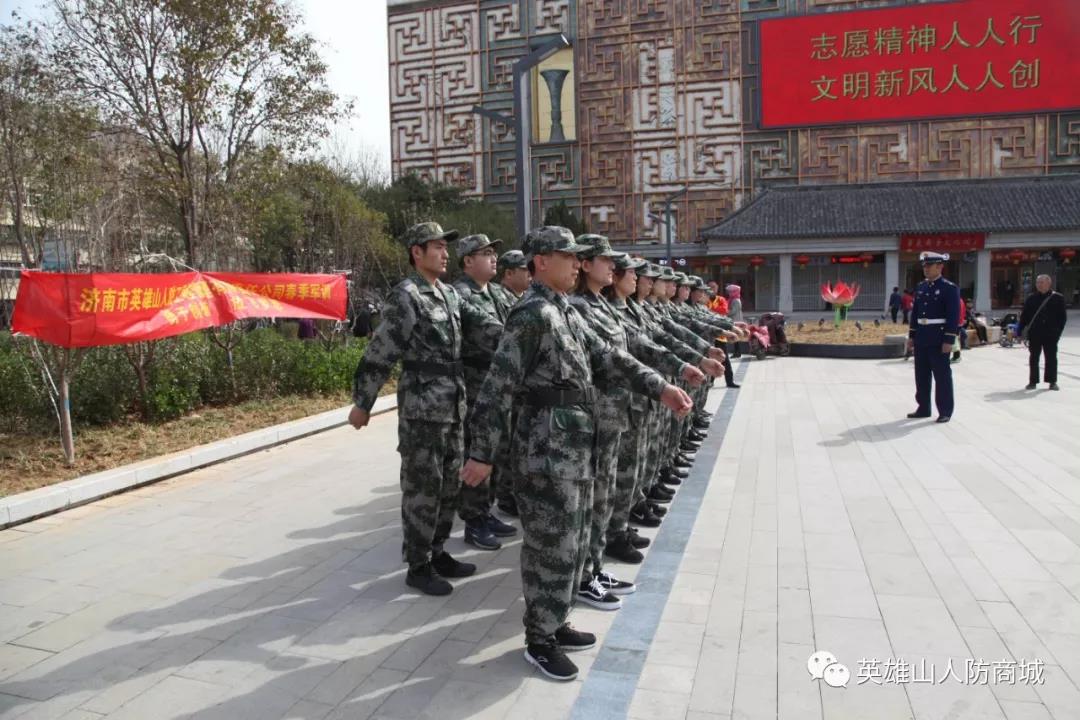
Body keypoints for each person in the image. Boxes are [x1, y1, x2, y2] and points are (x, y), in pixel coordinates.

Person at [460, 226, 693, 682]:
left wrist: (661, 386)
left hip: (575, 447)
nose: (575, 263)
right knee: (551, 546)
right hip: (544, 451)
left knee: (576, 538)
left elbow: (609, 357)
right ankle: (539, 639)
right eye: (566, 256)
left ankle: (557, 619)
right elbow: (497, 387)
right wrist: (482, 454)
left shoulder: (564, 310)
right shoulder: (531, 315)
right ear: (541, 261)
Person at [350, 222, 503, 596]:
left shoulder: (449, 294)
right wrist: (363, 403)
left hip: (453, 406)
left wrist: (519, 335)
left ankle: (438, 552)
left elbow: (481, 326)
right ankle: (418, 566)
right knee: (423, 489)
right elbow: (381, 351)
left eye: (445, 247)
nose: (445, 253)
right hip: (422, 410)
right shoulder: (406, 296)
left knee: (450, 485)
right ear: (416, 253)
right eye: (437, 247)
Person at [452, 233, 517, 551]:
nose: (494, 258)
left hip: (501, 384)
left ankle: (487, 510)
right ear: (468, 261)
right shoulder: (459, 294)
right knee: (478, 451)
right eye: (486, 253)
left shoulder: (499, 293)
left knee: (499, 451)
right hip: (476, 385)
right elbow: (492, 328)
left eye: (494, 253)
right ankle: (473, 520)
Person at [906, 251, 961, 423]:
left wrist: (949, 339)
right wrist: (912, 336)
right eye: (925, 266)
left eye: (929, 266)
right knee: (921, 375)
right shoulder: (921, 287)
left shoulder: (949, 288)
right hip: (922, 336)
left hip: (938, 337)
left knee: (942, 376)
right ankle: (923, 407)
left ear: (940, 267)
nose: (926, 269)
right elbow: (915, 314)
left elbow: (953, 316)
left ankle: (945, 410)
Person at [1019, 274, 1067, 391]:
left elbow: (1062, 318)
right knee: (1034, 358)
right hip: (1035, 333)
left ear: (1048, 283)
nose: (1039, 285)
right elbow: (1024, 316)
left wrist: (1058, 333)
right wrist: (1020, 331)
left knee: (1051, 358)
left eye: (1041, 282)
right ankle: (1033, 382)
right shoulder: (1031, 298)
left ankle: (1052, 382)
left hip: (1051, 334)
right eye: (1037, 282)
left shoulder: (1058, 298)